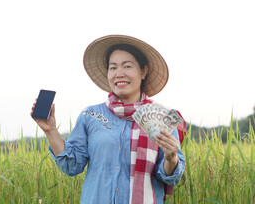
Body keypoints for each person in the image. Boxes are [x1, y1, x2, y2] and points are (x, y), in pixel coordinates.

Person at [31, 35, 186, 204]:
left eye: (127, 66)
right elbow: (72, 166)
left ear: (143, 71)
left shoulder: (162, 118)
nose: (119, 73)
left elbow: (169, 177)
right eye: (113, 68)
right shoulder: (90, 115)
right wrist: (51, 131)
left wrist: (171, 158)